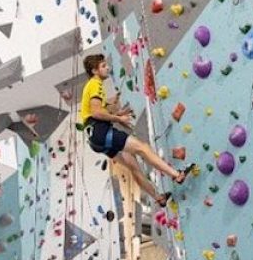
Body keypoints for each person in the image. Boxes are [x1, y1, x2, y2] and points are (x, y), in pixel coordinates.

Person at [79, 54, 186, 206]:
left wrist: (113, 110)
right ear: (94, 71)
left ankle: (158, 198)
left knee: (133, 166)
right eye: (103, 66)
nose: (107, 67)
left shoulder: (90, 87)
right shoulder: (95, 84)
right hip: (101, 132)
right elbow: (97, 112)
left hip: (95, 140)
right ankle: (176, 175)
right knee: (143, 148)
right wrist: (118, 119)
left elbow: (95, 112)